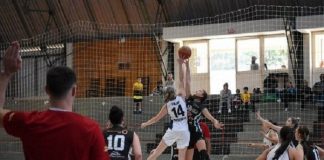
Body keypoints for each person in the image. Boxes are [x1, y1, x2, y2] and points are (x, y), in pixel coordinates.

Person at [0, 42, 109, 160]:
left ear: (47, 90)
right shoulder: (91, 129)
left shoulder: (28, 122)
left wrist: (6, 73)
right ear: (74, 91)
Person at [178, 58, 224, 160]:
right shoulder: (189, 98)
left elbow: (210, 117)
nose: (197, 90)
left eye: (200, 90)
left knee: (203, 154)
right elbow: (188, 81)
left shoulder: (201, 106)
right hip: (185, 132)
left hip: (196, 131)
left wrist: (215, 122)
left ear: (202, 95)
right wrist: (188, 65)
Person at [141, 86, 190, 160]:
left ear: (166, 94)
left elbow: (156, 119)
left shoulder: (167, 105)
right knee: (182, 158)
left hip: (174, 130)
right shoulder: (181, 98)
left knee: (156, 153)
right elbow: (182, 81)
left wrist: (145, 123)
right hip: (185, 131)